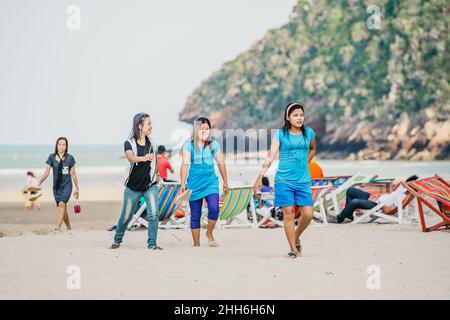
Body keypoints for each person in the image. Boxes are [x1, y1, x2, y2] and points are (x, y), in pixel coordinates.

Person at [253, 102, 317, 259]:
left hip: (303, 181)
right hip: (284, 180)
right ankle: (293, 249)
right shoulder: (281, 134)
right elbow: (270, 156)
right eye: (295, 115)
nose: (299, 118)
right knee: (288, 213)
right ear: (288, 117)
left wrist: (305, 163)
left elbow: (313, 148)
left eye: (301, 114)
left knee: (308, 214)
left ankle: (296, 236)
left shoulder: (308, 132)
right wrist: (260, 176)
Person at [110, 112, 161, 250]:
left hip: (150, 185)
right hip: (132, 187)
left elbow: (155, 161)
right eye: (148, 124)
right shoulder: (129, 143)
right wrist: (145, 157)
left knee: (154, 213)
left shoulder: (153, 143)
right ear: (140, 126)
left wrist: (156, 175)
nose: (151, 126)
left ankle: (152, 244)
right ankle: (117, 239)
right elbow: (131, 158)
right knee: (126, 216)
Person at [180, 117, 229, 247]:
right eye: (202, 128)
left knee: (214, 208)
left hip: (211, 182)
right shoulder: (188, 145)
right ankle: (196, 244)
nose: (204, 131)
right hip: (194, 184)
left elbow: (220, 163)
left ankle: (209, 233)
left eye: (207, 129)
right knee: (195, 214)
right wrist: (183, 183)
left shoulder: (214, 145)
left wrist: (225, 181)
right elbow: (185, 164)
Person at [327, 175, 419, 224]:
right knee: (351, 190)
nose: (405, 186)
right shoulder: (402, 191)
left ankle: (339, 218)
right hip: (376, 200)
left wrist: (377, 201)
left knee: (355, 202)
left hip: (378, 206)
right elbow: (389, 197)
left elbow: (388, 210)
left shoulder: (402, 197)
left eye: (407, 184)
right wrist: (377, 196)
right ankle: (348, 217)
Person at [38, 137, 79, 231]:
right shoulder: (51, 157)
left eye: (63, 144)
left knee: (61, 204)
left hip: (67, 185)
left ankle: (58, 226)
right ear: (56, 145)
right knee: (63, 207)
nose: (61, 146)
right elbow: (47, 171)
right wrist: (39, 182)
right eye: (59, 144)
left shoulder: (70, 158)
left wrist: (77, 189)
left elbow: (73, 174)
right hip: (56, 187)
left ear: (66, 146)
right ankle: (69, 228)